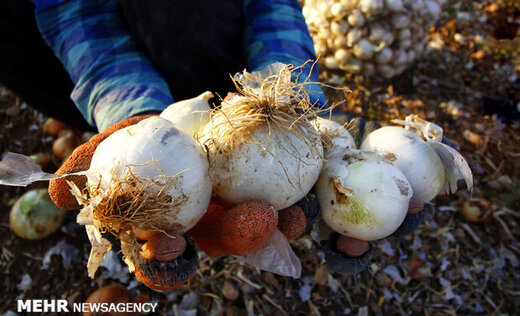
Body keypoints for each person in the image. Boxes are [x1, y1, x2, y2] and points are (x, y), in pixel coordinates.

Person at [0, 0, 428, 289]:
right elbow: (73, 10)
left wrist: (289, 92)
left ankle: (219, 101)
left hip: (225, 56)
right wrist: (134, 113)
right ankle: (126, 118)